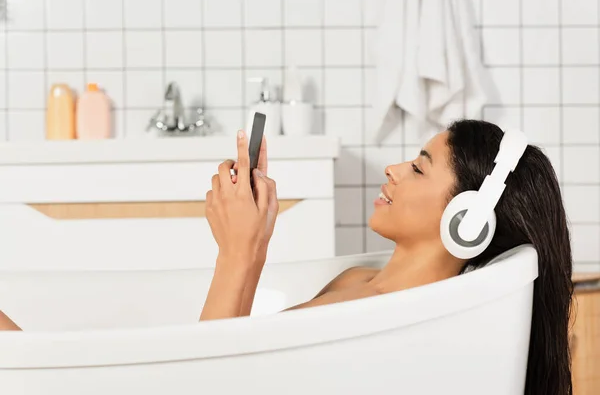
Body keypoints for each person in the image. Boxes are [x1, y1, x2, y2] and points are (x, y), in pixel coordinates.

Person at [1, 120, 573, 395]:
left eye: (420, 166)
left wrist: (241, 253)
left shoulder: (389, 319)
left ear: (467, 222)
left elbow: (205, 383)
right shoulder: (360, 282)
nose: (394, 170)